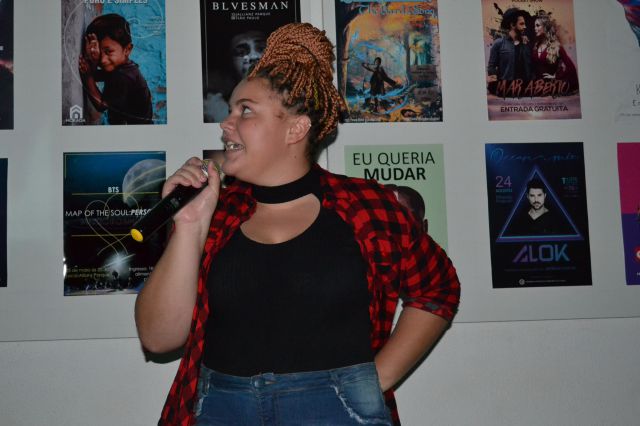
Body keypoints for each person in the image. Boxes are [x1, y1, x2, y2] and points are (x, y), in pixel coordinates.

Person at [136, 22, 460, 425]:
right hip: (222, 409)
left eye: (245, 110)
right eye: (231, 109)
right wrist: (188, 226)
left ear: (296, 128)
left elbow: (437, 289)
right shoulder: (215, 213)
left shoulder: (366, 207)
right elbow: (158, 338)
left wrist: (374, 382)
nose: (225, 123)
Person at [78, 14, 153, 125]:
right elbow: (97, 75)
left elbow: (101, 105)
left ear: (127, 49)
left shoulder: (124, 76)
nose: (103, 60)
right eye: (99, 53)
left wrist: (87, 77)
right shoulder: (124, 67)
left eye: (108, 52)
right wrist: (93, 61)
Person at [204, 30, 267, 122]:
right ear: (230, 62)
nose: (253, 56)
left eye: (261, 48)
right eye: (241, 52)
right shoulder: (216, 105)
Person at [531, 13, 579, 93]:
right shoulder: (536, 45)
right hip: (538, 88)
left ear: (546, 27)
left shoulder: (556, 46)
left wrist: (556, 76)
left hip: (552, 88)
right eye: (534, 26)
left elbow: (571, 67)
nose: (535, 28)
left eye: (538, 25)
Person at [487, 8, 532, 90]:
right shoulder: (499, 43)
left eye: (524, 24)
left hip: (525, 91)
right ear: (512, 25)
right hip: (506, 90)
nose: (525, 27)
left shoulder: (526, 44)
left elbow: (531, 68)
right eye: (521, 24)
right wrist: (497, 85)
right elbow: (491, 67)